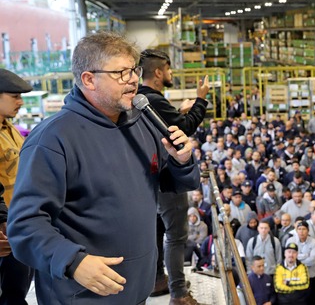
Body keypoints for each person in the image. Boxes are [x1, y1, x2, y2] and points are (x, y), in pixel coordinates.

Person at [7, 32, 200, 304]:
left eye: (134, 70)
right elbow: (24, 225)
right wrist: (72, 261)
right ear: (88, 79)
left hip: (136, 288)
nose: (133, 79)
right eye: (121, 72)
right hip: (83, 295)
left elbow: (166, 183)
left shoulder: (143, 124)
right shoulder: (53, 140)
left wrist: (182, 163)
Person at [138, 48, 209, 302]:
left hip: (150, 180)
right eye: (168, 69)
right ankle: (179, 293)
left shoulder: (140, 98)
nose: (170, 74)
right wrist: (201, 100)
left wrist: (179, 111)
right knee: (176, 236)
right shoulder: (154, 100)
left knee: (158, 232)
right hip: (167, 179)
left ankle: (158, 280)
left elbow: (169, 124)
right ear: (158, 72)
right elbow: (184, 128)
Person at [0, 69, 34, 304]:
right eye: (14, 96)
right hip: (3, 230)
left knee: (17, 292)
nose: (21, 102)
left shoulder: (9, 128)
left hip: (19, 224)